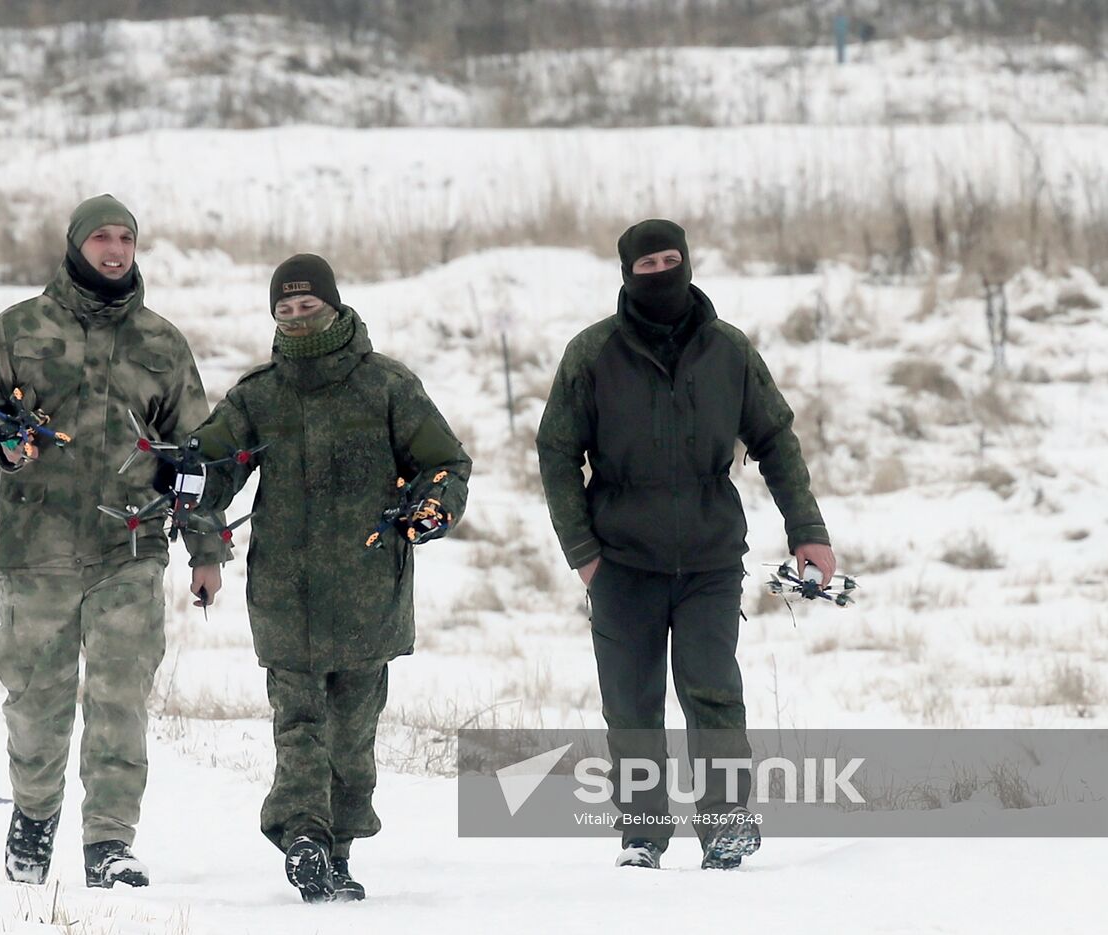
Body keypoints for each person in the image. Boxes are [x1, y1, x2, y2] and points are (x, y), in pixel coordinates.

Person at [535, 219, 837, 870]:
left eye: (671, 259)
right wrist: (582, 549)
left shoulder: (728, 350)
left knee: (713, 691)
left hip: (709, 556)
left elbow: (777, 440)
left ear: (689, 263)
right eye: (647, 265)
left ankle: (727, 823)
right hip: (619, 560)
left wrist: (807, 531)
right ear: (626, 274)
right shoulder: (593, 354)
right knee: (632, 703)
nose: (661, 273)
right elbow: (557, 451)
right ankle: (643, 835)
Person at [0, 194, 228, 889]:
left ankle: (108, 842)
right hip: (35, 550)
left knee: (120, 696)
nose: (115, 248)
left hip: (128, 551)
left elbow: (197, 456)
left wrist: (207, 552)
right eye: (101, 236)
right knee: (36, 699)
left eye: (126, 237)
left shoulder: (161, 344)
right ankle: (34, 817)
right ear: (76, 246)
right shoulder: (20, 327)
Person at [172, 254, 471, 902]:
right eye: (285, 310)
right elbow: (213, 471)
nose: (298, 320)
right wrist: (190, 475)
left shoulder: (387, 386)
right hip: (285, 593)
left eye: (308, 307)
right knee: (299, 725)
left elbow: (445, 463)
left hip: (368, 592)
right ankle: (304, 838)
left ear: (333, 307)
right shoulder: (258, 396)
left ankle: (335, 848)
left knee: (352, 739)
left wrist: (431, 506)